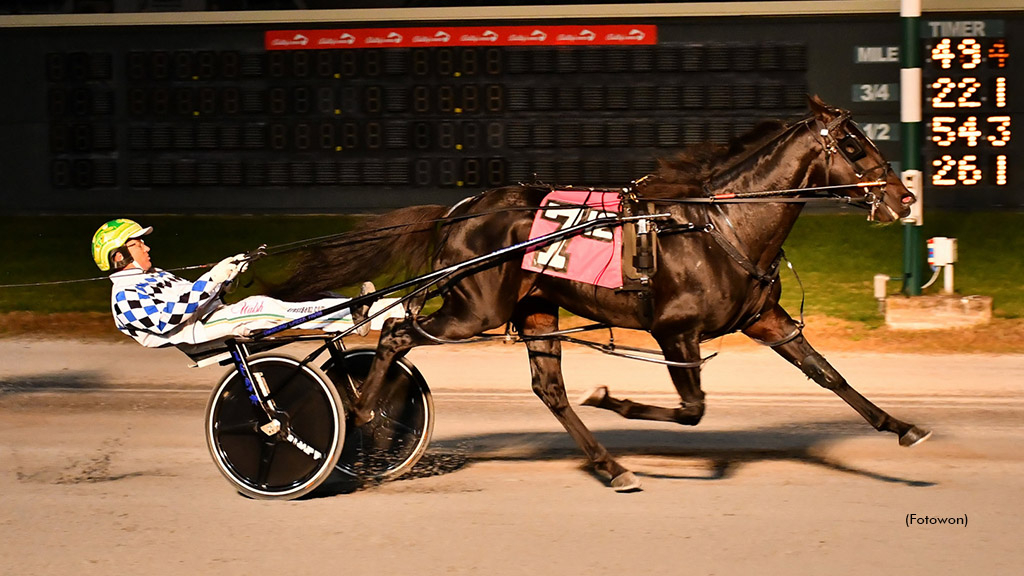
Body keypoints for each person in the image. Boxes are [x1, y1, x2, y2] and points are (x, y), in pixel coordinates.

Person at [91, 218, 374, 348]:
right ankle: (351, 317)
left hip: (208, 316)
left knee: (297, 295)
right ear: (119, 256)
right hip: (195, 331)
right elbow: (168, 319)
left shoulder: (155, 275)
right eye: (139, 245)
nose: (147, 249)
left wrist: (228, 276)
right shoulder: (124, 296)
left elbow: (198, 296)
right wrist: (213, 277)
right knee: (258, 306)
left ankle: (361, 308)